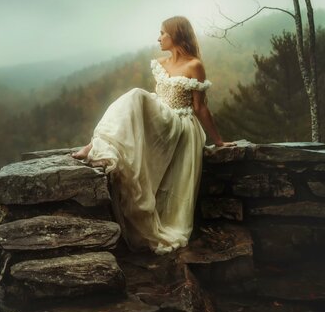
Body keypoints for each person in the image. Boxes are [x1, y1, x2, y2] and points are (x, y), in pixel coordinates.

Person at [71, 16, 235, 255]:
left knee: (136, 95)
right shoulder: (161, 63)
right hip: (162, 118)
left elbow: (200, 107)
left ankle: (95, 144)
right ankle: (97, 144)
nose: (158, 38)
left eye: (162, 33)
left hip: (179, 124)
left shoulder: (194, 66)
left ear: (176, 36)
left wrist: (218, 140)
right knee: (134, 100)